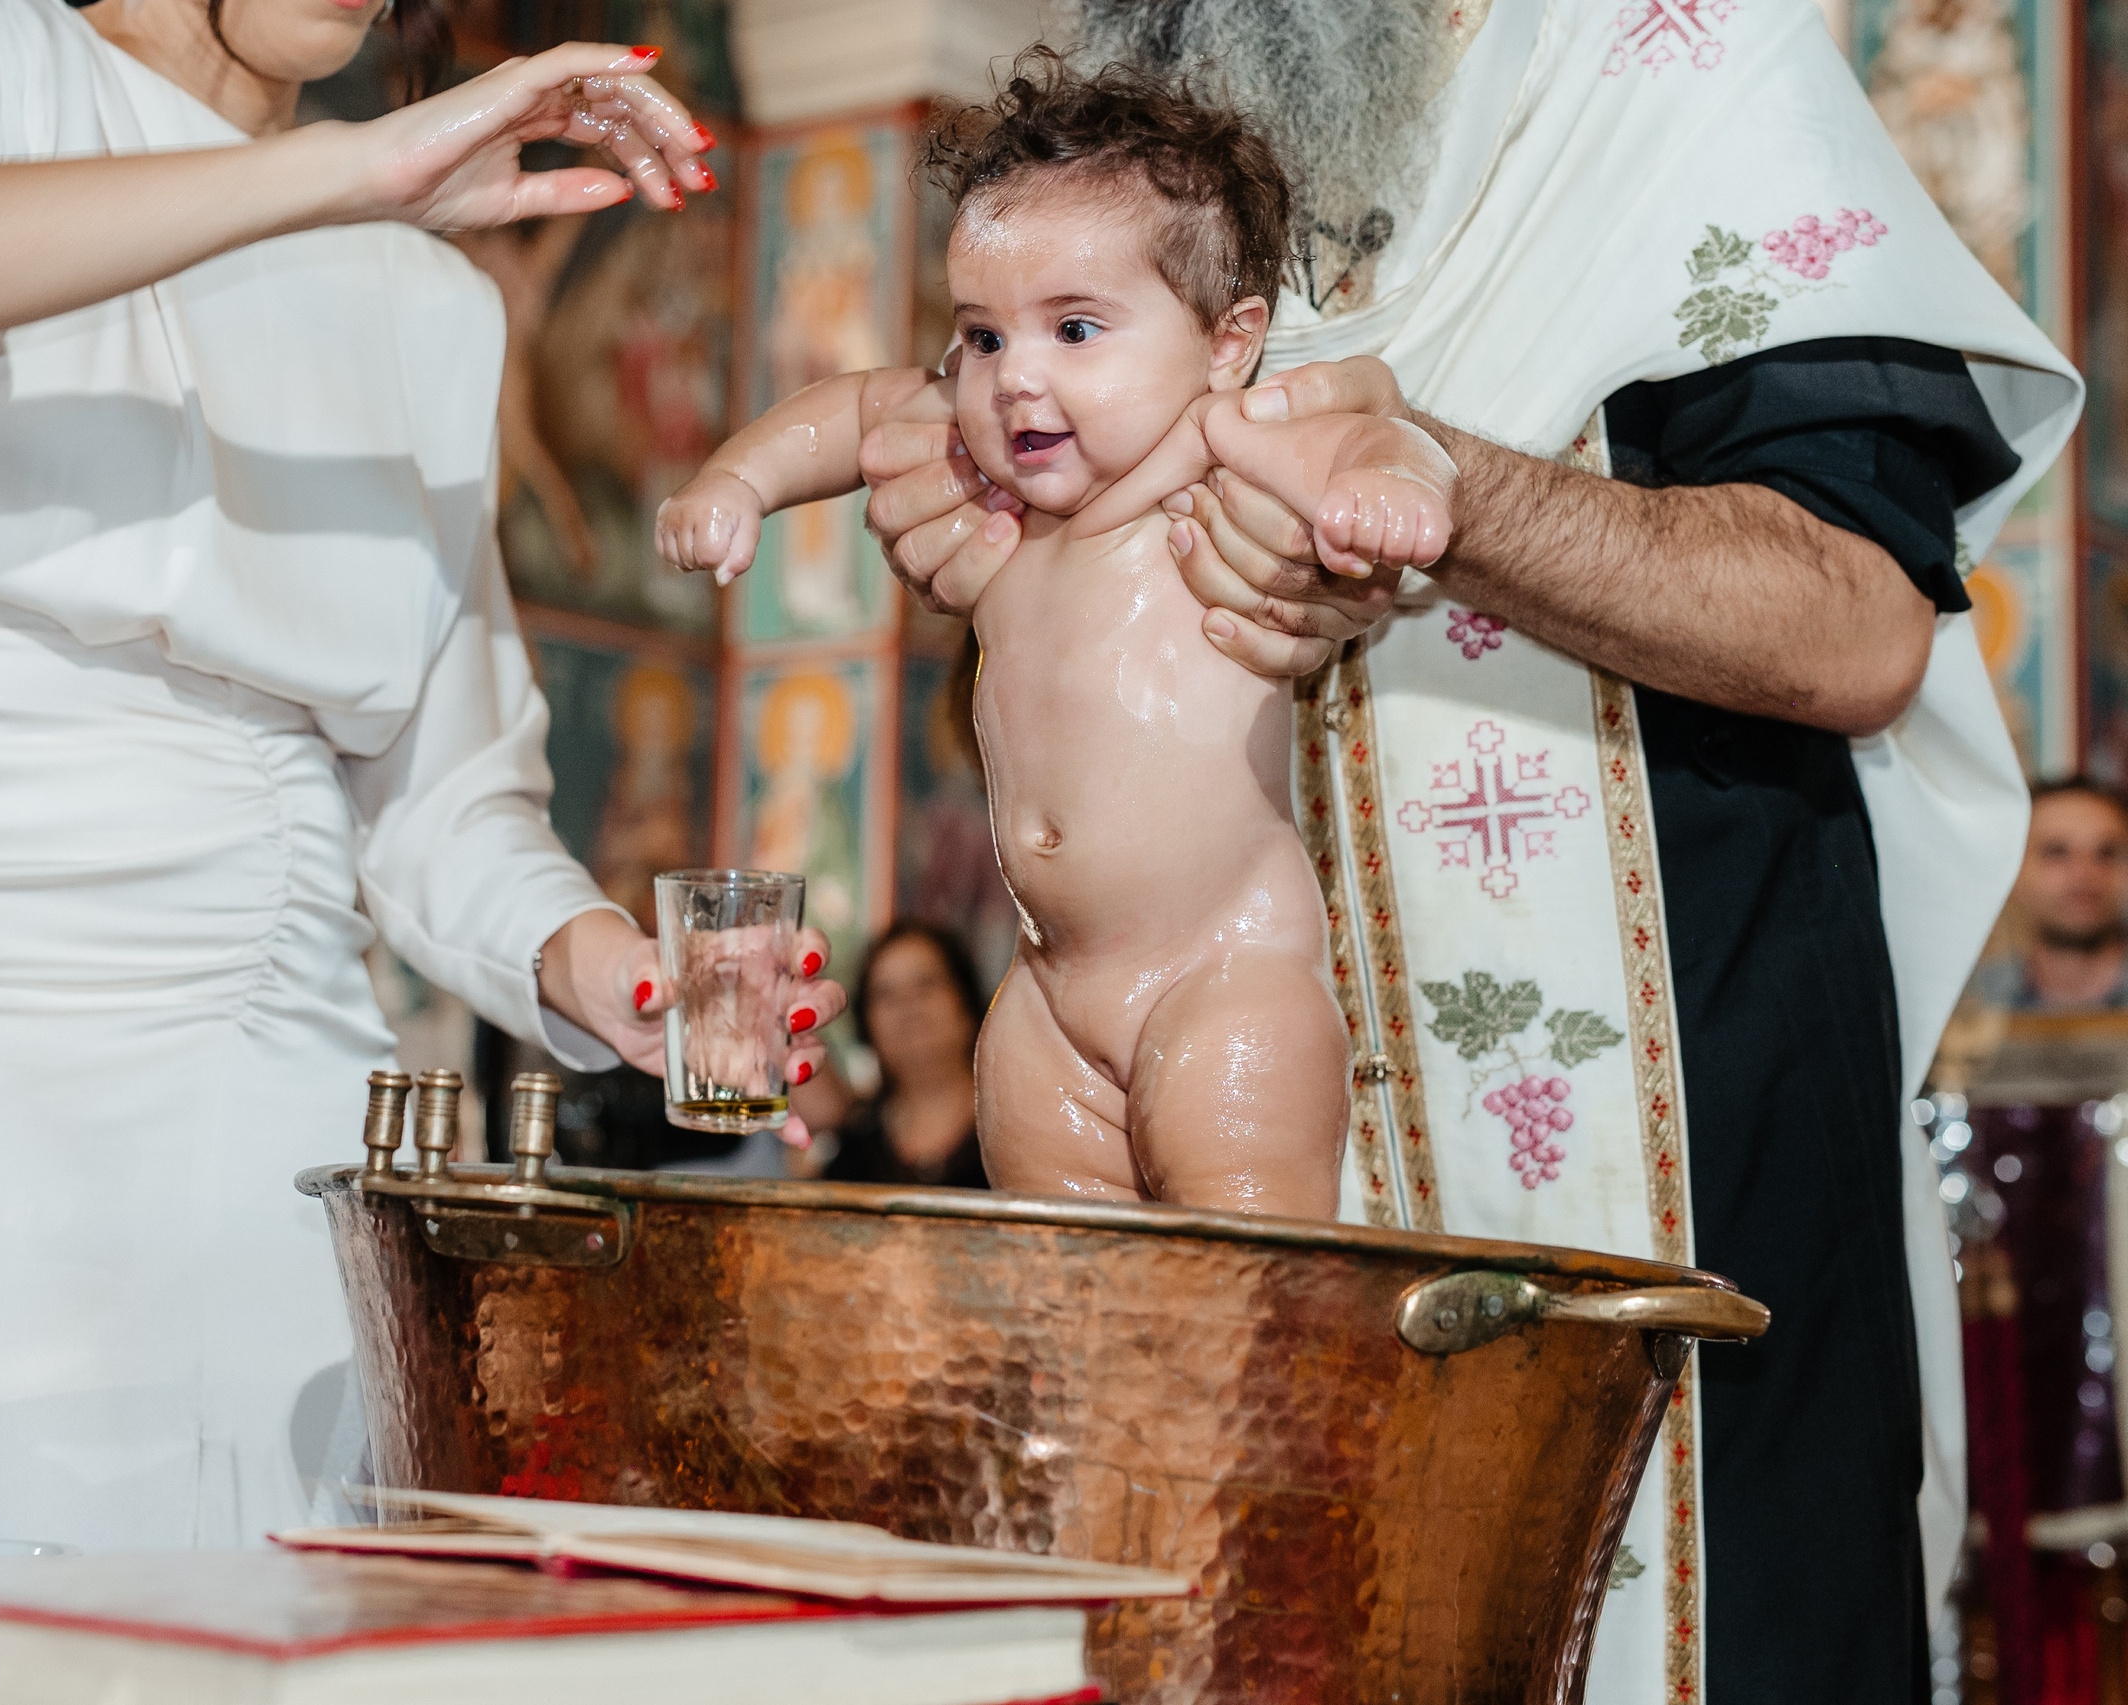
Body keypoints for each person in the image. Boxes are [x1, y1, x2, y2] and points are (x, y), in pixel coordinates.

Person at [852, 1, 2080, 1700]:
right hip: (1243, 1156)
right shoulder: (1132, 185)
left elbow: (1856, 622)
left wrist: (1458, 498)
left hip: (1678, 1173)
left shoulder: (1682, 84)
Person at [0, 0, 844, 1553]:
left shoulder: (430, 297)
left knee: (284, 1591)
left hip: (290, 1036)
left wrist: (610, 972)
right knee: (13, 1605)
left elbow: (444, 803)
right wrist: (339, 178)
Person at [663, 56, 1455, 1214]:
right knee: (1063, 1306)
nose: (1015, 379)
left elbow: (1384, 437)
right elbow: (848, 410)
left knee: (1240, 1297)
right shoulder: (993, 482)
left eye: (1076, 328)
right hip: (1046, 986)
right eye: (982, 337)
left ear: (1227, 342)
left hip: (1220, 973)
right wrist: (736, 481)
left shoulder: (1219, 446)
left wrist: (1395, 488)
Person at [824, 920, 990, 1189]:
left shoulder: (1014, 1136)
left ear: (967, 1005)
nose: (907, 1006)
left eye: (926, 984)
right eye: (885, 994)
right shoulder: (854, 1153)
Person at [1970, 779, 2128, 1011]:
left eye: (2106, 853)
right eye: (2057, 852)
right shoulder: (1969, 1004)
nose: (2083, 873)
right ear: (2013, 872)